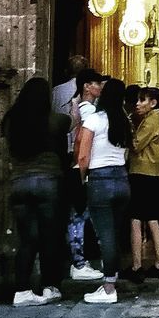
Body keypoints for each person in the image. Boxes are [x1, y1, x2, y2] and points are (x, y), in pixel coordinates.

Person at [2, 77, 71, 307]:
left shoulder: (11, 121)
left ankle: (21, 290)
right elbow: (71, 123)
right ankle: (49, 286)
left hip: (19, 182)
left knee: (27, 240)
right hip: (47, 181)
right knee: (49, 237)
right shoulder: (54, 120)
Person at [77, 76, 132, 305]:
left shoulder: (94, 120)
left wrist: (83, 179)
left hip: (100, 179)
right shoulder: (124, 121)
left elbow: (83, 155)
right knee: (116, 234)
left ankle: (109, 287)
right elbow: (127, 153)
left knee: (105, 235)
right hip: (121, 179)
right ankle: (112, 278)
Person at [126, 87, 159, 283]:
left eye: (142, 100)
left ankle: (137, 265)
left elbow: (135, 145)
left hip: (143, 172)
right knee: (152, 219)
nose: (138, 104)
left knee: (136, 219)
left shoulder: (151, 121)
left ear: (153, 103)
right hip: (153, 173)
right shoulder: (158, 119)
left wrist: (128, 128)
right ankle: (158, 263)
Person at [64, 67, 106, 282]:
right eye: (97, 83)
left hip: (78, 167)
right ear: (87, 87)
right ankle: (79, 263)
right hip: (83, 168)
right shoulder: (88, 110)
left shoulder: (76, 107)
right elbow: (85, 144)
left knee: (80, 218)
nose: (100, 87)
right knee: (80, 218)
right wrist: (83, 173)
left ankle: (80, 261)